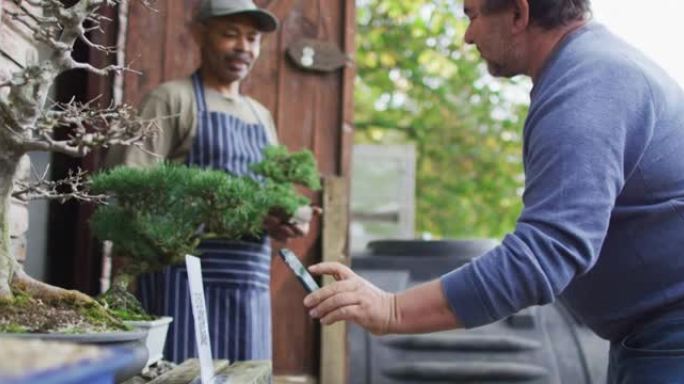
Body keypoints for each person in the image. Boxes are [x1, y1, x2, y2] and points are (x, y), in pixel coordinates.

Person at [303, 0, 684, 382]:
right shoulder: (588, 70)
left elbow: (542, 256)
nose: (468, 36)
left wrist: (392, 310)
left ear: (519, 14)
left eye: (473, 15)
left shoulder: (589, 84)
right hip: (649, 336)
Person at [107, 0, 309, 363]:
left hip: (248, 285)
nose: (243, 47)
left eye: (252, 38)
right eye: (230, 34)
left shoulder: (260, 116)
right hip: (180, 281)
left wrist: (288, 217)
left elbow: (273, 194)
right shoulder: (170, 100)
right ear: (200, 35)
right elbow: (131, 193)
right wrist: (222, 213)